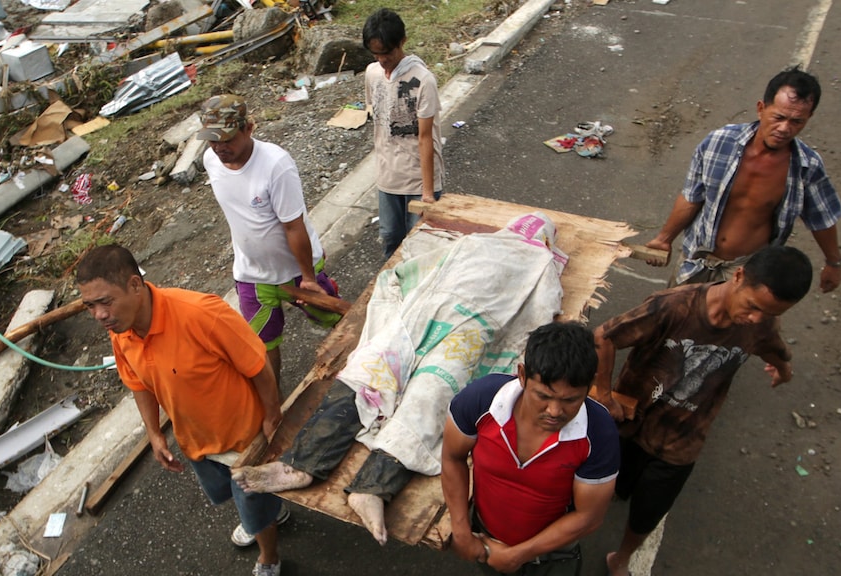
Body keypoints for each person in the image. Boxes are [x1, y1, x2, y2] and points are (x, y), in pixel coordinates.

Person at [234, 213, 570, 547]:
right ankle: (299, 464)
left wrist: (512, 347)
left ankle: (372, 488)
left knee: (433, 393)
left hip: (474, 324)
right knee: (368, 369)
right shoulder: (478, 242)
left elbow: (538, 313)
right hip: (425, 309)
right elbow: (425, 268)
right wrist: (398, 288)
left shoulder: (541, 264)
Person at [591, 246, 813, 576]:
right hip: (630, 421)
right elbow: (604, 336)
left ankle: (621, 558)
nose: (756, 319)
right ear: (738, 276)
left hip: (682, 439)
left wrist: (783, 371)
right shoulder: (673, 306)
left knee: (649, 510)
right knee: (606, 482)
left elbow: (777, 351)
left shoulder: (761, 325)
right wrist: (604, 395)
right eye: (753, 307)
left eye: (768, 314)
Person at [76, 244, 286, 576]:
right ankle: (266, 515)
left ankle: (269, 557)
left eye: (106, 301)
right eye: (90, 305)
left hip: (244, 440)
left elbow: (258, 364)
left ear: (135, 285)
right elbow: (138, 383)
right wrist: (154, 432)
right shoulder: (120, 330)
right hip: (196, 443)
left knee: (254, 504)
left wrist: (272, 417)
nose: (99, 314)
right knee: (243, 500)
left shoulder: (201, 313)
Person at [644, 66, 841, 293]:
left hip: (745, 272)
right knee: (673, 318)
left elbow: (822, 219)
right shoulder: (719, 142)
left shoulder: (807, 167)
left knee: (729, 325)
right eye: (778, 117)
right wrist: (664, 238)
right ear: (761, 108)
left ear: (809, 117)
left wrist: (833, 263)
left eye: (796, 121)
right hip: (697, 258)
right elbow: (692, 196)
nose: (784, 128)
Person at [442, 322, 620, 576]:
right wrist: (461, 530)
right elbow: (452, 457)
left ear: (589, 384)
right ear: (522, 376)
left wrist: (517, 555)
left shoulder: (599, 433)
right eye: (544, 396)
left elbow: (588, 517)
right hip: (487, 541)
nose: (555, 411)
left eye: (571, 400)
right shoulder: (480, 402)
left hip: (552, 560)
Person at [198, 93, 341, 386]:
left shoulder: (276, 165)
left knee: (335, 318)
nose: (219, 148)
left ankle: (362, 363)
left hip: (296, 272)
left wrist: (308, 277)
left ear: (249, 128)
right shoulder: (210, 160)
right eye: (213, 140)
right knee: (263, 343)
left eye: (227, 139)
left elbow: (293, 226)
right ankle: (272, 401)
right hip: (252, 274)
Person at [362, 8, 445, 259]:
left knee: (420, 247)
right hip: (388, 178)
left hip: (418, 180)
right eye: (376, 53)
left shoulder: (423, 81)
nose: (382, 60)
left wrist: (428, 193)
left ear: (402, 42)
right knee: (389, 238)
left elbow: (425, 137)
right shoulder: (372, 73)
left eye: (386, 53)